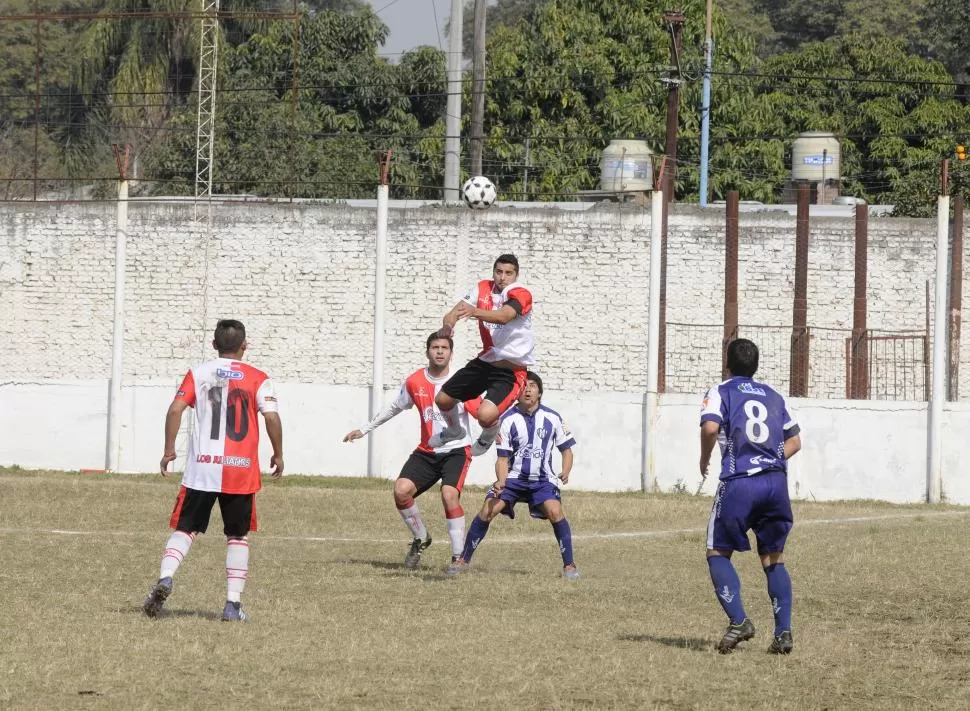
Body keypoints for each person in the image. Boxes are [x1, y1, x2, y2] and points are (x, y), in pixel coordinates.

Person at [142, 319, 283, 622]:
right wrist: (278, 453)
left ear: (214, 345)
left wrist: (169, 450)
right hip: (240, 471)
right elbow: (271, 418)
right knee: (237, 537)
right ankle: (232, 604)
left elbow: (175, 409)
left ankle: (166, 577)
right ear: (244, 346)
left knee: (185, 529)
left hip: (202, 469)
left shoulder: (198, 373)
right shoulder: (259, 378)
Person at [699, 338, 802, 654]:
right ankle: (783, 634)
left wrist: (704, 459)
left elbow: (710, 429)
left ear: (726, 363)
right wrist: (769, 458)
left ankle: (739, 621)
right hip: (775, 483)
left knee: (717, 551)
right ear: (755, 366)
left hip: (740, 482)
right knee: (773, 559)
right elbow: (795, 442)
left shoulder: (722, 390)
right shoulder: (773, 395)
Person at [343, 332, 479, 568]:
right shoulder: (416, 381)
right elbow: (395, 407)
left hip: (456, 449)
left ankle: (458, 558)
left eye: (444, 347)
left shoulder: (461, 381)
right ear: (427, 352)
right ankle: (421, 537)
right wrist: (365, 429)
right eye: (435, 347)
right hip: (427, 451)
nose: (439, 351)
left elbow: (482, 411)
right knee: (401, 491)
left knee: (449, 495)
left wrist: (495, 430)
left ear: (451, 353)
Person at [446, 371, 578, 580]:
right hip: (513, 479)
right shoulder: (506, 420)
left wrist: (566, 471)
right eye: (524, 385)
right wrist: (501, 481)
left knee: (555, 511)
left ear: (540, 392)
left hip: (542, 480)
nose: (528, 389)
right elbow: (502, 459)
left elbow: (567, 450)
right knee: (488, 509)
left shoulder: (553, 418)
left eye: (533, 386)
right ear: (517, 392)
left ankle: (569, 565)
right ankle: (463, 559)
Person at [429, 253, 535, 457]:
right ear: (493, 272)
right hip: (485, 362)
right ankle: (453, 431)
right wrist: (448, 326)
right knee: (442, 399)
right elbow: (452, 313)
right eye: (499, 272)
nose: (503, 277)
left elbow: (504, 317)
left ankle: (489, 432)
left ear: (516, 275)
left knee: (484, 415)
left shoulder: (521, 293)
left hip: (511, 372)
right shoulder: (482, 288)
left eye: (508, 273)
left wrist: (475, 311)